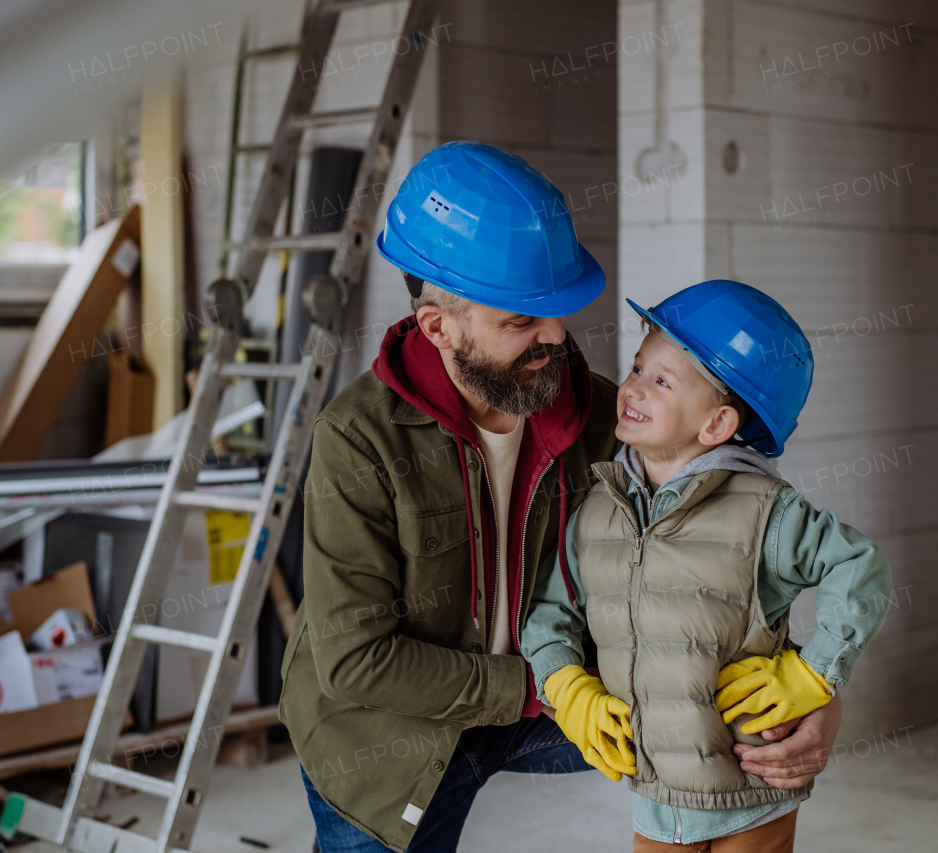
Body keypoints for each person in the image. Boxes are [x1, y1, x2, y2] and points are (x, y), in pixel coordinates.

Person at [278, 143, 845, 853]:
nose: (556, 336)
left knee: (742, 723)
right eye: (521, 321)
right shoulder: (357, 440)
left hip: (552, 693)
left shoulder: (606, 416)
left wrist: (814, 690)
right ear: (438, 327)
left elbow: (716, 560)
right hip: (389, 731)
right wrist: (551, 688)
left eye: (557, 310)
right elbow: (358, 661)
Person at [521, 280, 894, 852]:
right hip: (653, 792)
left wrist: (816, 673)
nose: (634, 387)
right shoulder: (597, 509)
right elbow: (549, 608)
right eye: (639, 368)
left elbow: (860, 567)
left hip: (754, 786)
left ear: (717, 425)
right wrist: (565, 684)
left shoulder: (765, 511)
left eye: (662, 381)